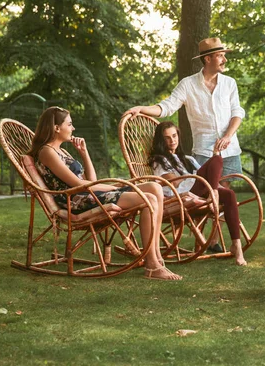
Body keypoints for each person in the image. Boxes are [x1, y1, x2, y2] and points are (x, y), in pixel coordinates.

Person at [28, 107, 182, 281]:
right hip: (76, 201)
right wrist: (113, 188)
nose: (73, 128)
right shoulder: (47, 152)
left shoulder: (62, 151)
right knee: (149, 199)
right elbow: (78, 185)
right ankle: (152, 264)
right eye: (69, 124)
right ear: (56, 128)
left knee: (155, 187)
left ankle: (157, 257)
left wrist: (84, 153)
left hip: (87, 195)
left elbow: (90, 179)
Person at [123, 37, 245, 188]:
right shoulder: (188, 84)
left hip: (230, 148)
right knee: (204, 191)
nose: (224, 59)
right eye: (220, 55)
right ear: (207, 59)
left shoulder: (229, 83)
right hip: (204, 151)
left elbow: (237, 113)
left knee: (223, 193)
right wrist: (142, 109)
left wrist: (227, 136)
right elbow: (167, 106)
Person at [148, 121, 246, 266]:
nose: (172, 140)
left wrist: (210, 179)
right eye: (167, 138)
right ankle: (214, 194)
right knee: (216, 159)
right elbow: (173, 182)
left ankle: (236, 246)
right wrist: (200, 176)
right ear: (161, 141)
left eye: (174, 136)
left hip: (199, 189)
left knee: (229, 194)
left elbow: (210, 175)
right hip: (182, 195)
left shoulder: (188, 159)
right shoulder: (158, 160)